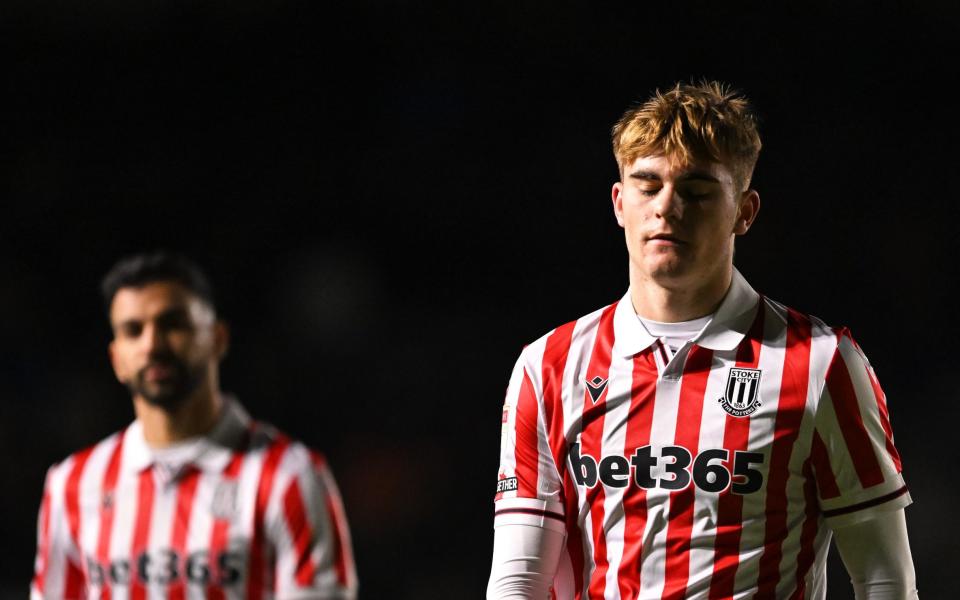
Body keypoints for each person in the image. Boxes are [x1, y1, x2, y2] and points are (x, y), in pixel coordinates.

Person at [487, 81, 918, 599]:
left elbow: (884, 579)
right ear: (619, 203)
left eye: (696, 190)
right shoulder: (549, 366)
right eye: (648, 186)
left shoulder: (821, 364)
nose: (667, 207)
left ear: (745, 211)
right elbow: (518, 580)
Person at [31, 252, 357, 600]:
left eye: (173, 324)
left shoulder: (287, 477)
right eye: (133, 330)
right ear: (116, 359)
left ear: (218, 338)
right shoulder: (72, 484)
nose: (152, 344)